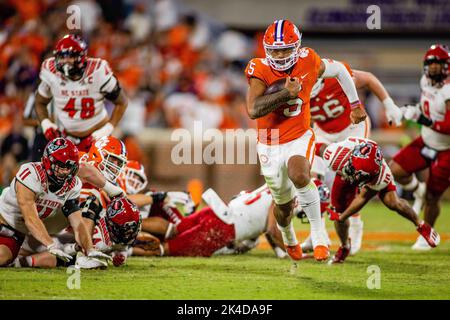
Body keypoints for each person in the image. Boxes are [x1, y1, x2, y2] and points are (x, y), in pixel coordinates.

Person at [244, 19, 366, 261]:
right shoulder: (259, 69)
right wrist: (285, 93)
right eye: (275, 50)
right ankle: (289, 239)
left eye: (285, 49)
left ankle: (319, 235)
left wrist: (354, 104)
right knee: (283, 205)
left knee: (300, 175)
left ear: (297, 47)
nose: (279, 55)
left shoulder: (309, 59)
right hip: (269, 141)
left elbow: (340, 70)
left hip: (299, 134)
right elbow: (254, 109)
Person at [308, 62, 403, 255]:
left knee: (354, 175)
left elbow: (368, 78)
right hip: (323, 131)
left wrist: (388, 103)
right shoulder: (295, 86)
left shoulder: (332, 76)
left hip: (352, 126)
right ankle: (316, 232)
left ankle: (356, 224)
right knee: (312, 180)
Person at [315, 137, 440, 263]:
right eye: (356, 172)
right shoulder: (336, 154)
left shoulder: (380, 175)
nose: (357, 177)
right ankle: (345, 246)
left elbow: (362, 198)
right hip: (344, 175)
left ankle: (421, 225)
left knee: (393, 202)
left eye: (362, 176)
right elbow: (314, 147)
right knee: (338, 212)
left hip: (370, 177)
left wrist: (342, 217)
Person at [0, 138, 110, 267]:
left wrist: (89, 248)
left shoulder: (73, 185)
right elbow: (30, 218)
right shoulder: (31, 174)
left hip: (16, 232)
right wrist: (50, 244)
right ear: (48, 162)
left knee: (2, 258)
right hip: (4, 219)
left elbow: (78, 223)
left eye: (69, 167)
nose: (64, 171)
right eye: (60, 166)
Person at [389, 44, 450, 250]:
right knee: (394, 170)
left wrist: (422, 119)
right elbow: (426, 107)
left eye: (438, 63)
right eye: (430, 63)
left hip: (446, 149)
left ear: (446, 66)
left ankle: (427, 234)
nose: (433, 68)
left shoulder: (448, 90)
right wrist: (411, 111)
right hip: (425, 141)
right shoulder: (425, 81)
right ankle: (418, 190)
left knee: (434, 197)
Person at [35, 34, 128, 152]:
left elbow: (122, 102)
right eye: (62, 57)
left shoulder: (97, 71)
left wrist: (105, 130)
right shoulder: (51, 71)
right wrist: (46, 124)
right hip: (66, 137)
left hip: (97, 136)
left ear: (82, 57)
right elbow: (39, 102)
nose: (65, 61)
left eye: (70, 57)